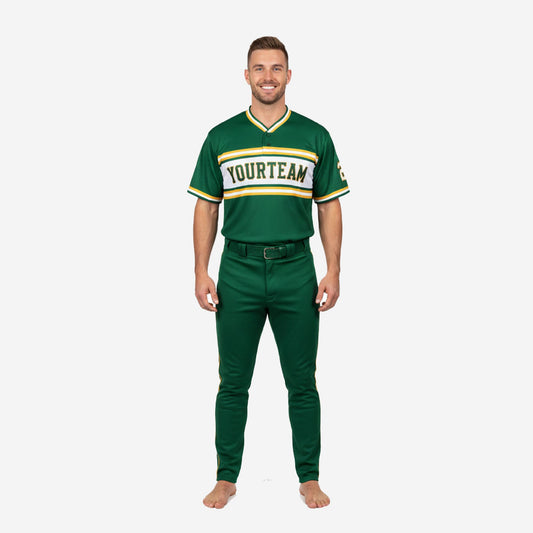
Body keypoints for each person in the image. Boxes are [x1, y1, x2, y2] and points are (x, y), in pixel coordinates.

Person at [188, 36, 349, 509]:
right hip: (236, 268)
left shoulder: (314, 136)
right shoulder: (221, 137)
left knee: (302, 380)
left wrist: (333, 269)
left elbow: (330, 206)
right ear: (246, 75)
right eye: (259, 68)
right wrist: (200, 270)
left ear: (289, 75)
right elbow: (206, 207)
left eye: (276, 68)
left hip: (296, 267)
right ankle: (226, 477)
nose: (267, 77)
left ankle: (309, 477)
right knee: (232, 381)